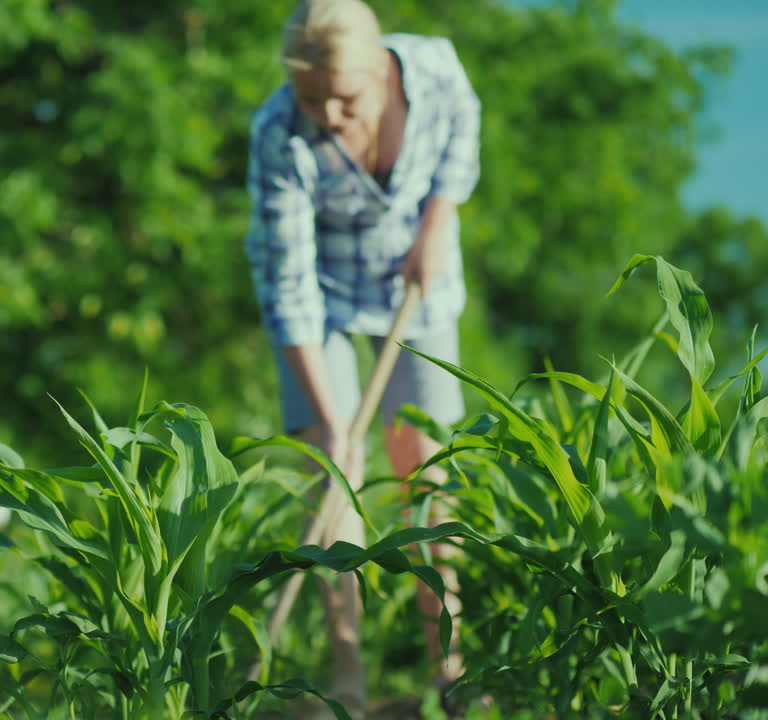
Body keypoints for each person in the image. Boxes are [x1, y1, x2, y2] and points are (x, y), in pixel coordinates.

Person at [243, 0, 480, 715]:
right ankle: (348, 673)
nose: (329, 116)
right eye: (312, 99)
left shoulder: (434, 69)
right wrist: (334, 424)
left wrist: (440, 218)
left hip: (417, 280)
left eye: (344, 98)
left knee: (425, 467)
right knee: (331, 469)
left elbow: (463, 130)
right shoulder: (280, 134)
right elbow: (287, 288)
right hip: (324, 299)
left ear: (380, 70)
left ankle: (451, 665)